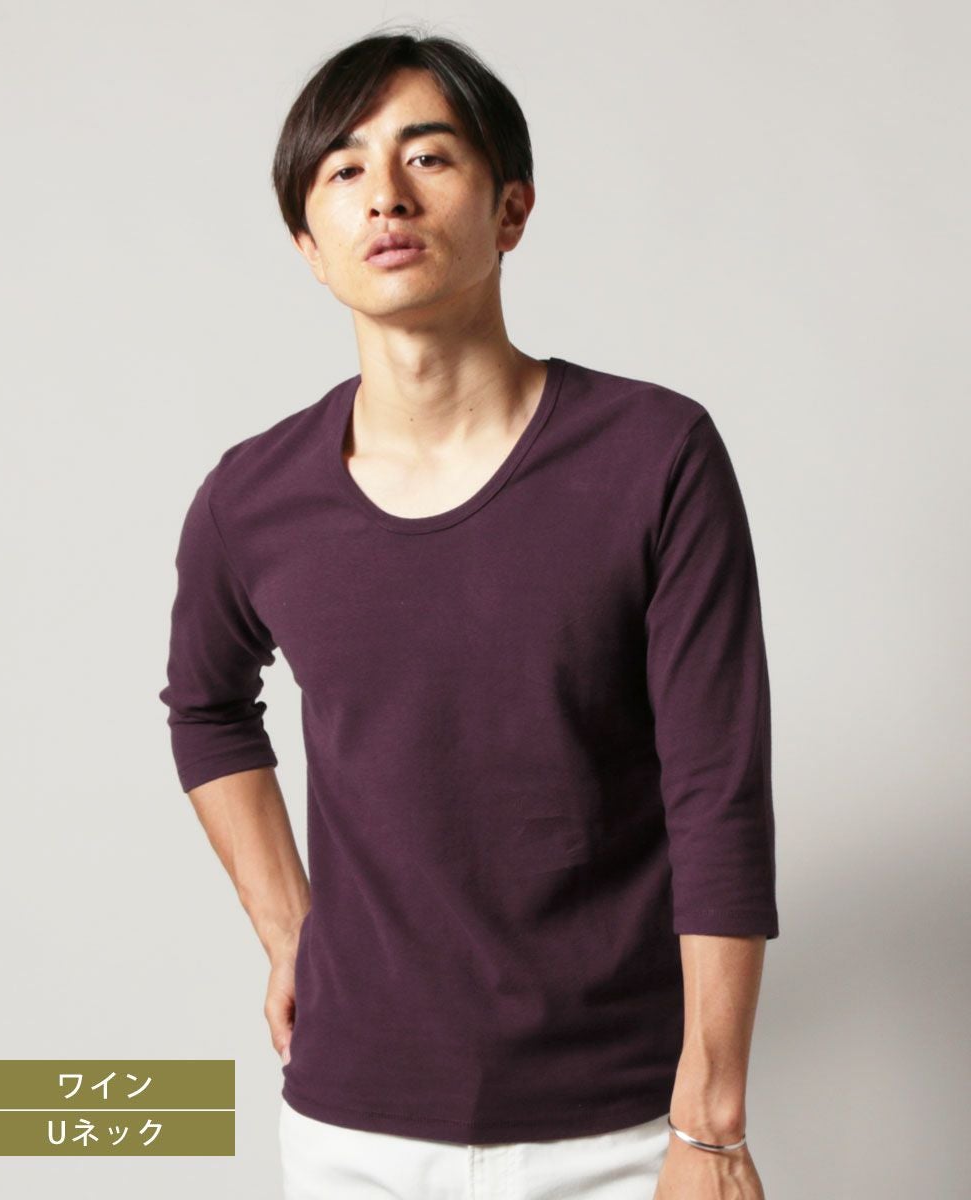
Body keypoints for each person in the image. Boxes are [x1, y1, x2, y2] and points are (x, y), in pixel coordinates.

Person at [158, 26, 779, 1200]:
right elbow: (205, 708)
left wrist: (709, 1121)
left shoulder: (653, 456)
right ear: (308, 246)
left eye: (428, 156)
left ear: (511, 209)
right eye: (343, 169)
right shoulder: (252, 498)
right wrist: (291, 931)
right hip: (349, 1131)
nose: (384, 195)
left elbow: (717, 789)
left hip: (621, 1131)